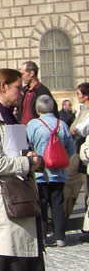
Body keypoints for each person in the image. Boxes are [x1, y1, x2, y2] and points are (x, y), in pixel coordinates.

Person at [0, 68, 46, 269]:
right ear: (3, 87)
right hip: (3, 209)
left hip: (22, 203)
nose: (21, 93)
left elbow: (19, 153)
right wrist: (28, 163)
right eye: (17, 88)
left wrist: (32, 158)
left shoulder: (11, 118)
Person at [26, 94, 76, 246]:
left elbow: (27, 144)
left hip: (40, 172)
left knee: (40, 204)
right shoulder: (62, 124)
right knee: (58, 204)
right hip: (58, 172)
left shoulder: (33, 124)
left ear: (37, 109)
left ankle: (41, 237)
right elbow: (71, 148)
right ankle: (60, 237)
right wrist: (60, 159)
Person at [63, 83, 89, 218]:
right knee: (70, 184)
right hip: (78, 151)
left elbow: (77, 129)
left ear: (86, 96)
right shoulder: (82, 109)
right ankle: (61, 216)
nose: (77, 96)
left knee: (85, 188)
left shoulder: (87, 111)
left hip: (84, 153)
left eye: (79, 94)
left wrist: (74, 130)